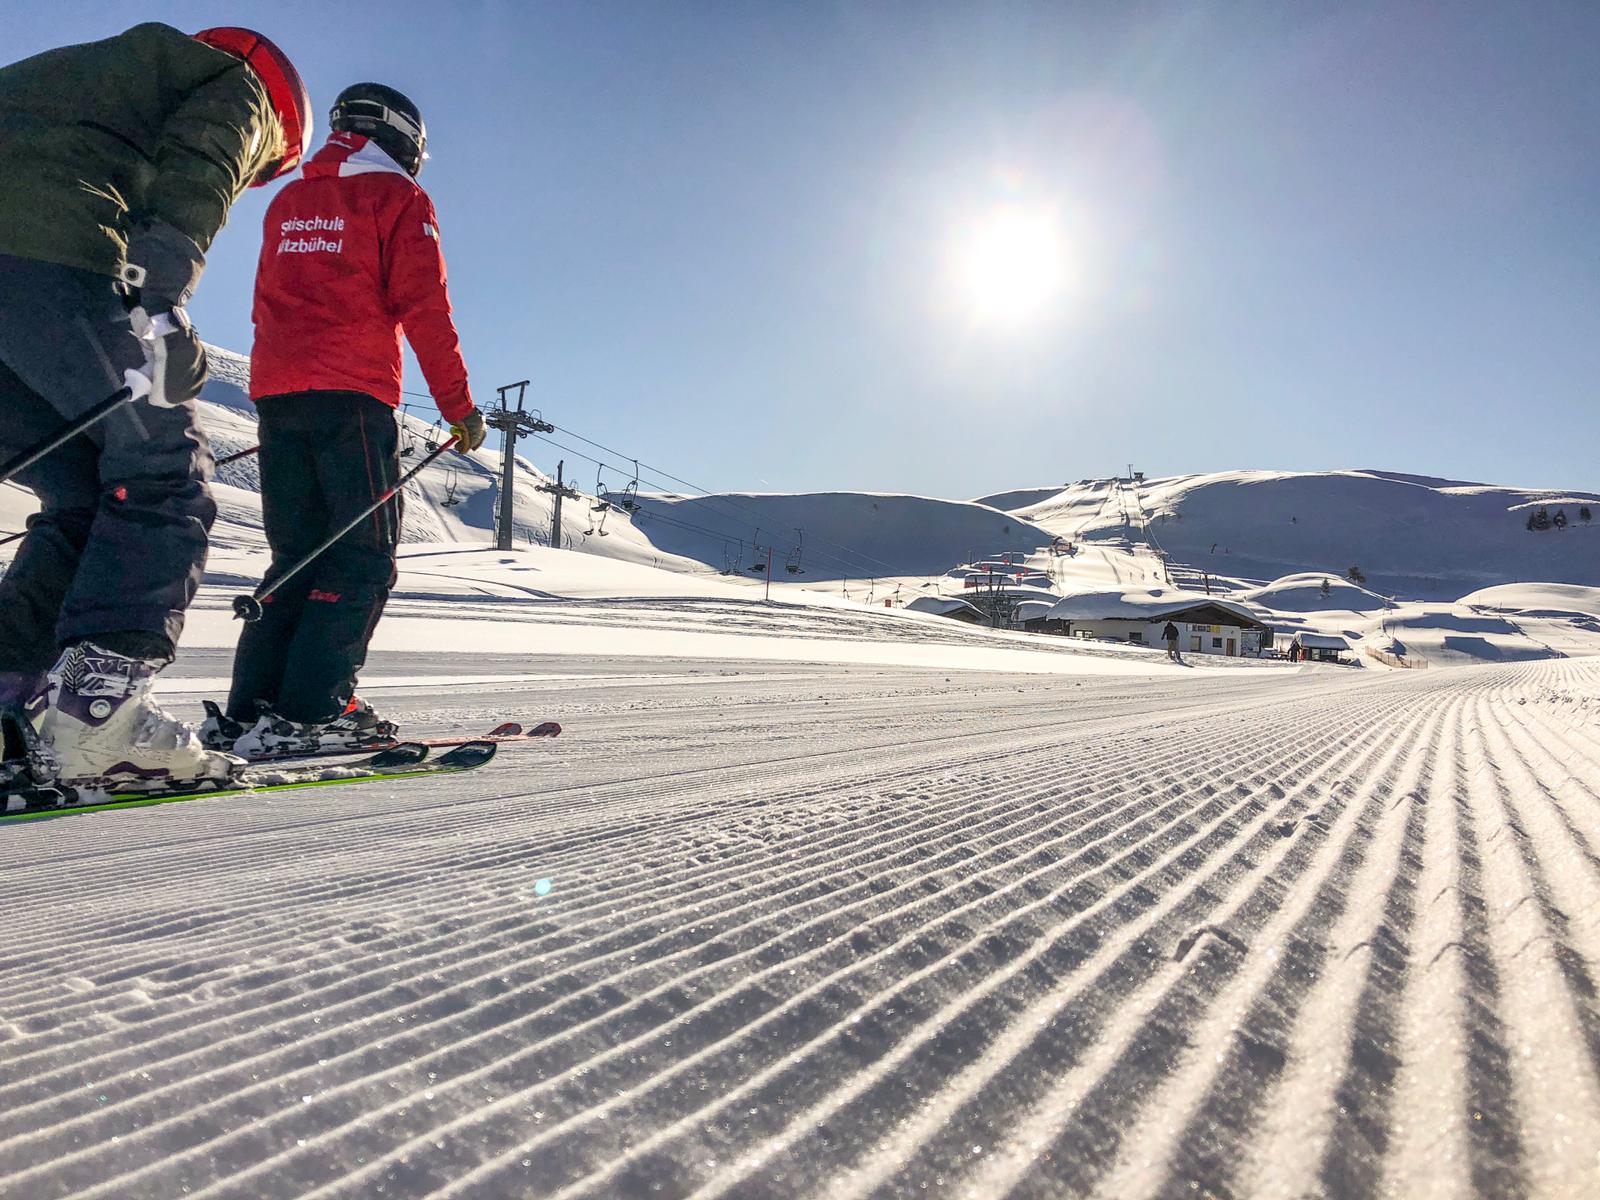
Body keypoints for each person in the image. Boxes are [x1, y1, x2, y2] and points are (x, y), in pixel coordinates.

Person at [0, 24, 310, 789]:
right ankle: (97, 725)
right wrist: (159, 307)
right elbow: (201, 165)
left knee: (83, 489)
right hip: (47, 258)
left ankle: (9, 698)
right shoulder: (239, 84)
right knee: (165, 470)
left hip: (25, 278)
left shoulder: (81, 73)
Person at [208, 83, 487, 758]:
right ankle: (311, 712)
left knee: (296, 555)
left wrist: (279, 387)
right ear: (404, 140)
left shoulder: (289, 199)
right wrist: (459, 409)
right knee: (360, 558)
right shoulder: (398, 198)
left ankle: (253, 710)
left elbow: (262, 303)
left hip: (278, 394)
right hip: (352, 396)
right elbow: (426, 310)